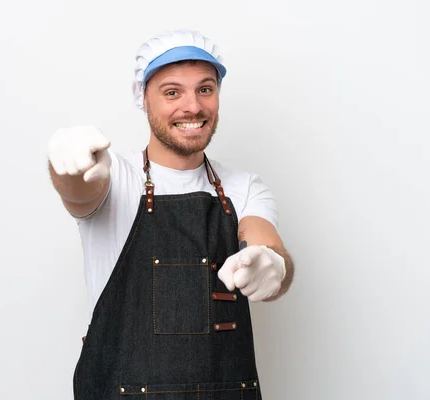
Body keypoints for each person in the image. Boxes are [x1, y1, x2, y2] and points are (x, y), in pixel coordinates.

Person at [47, 29, 294, 399]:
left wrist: (274, 265)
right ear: (143, 98)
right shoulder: (116, 176)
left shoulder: (243, 187)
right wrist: (68, 169)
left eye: (205, 89)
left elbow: (264, 238)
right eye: (172, 92)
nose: (192, 106)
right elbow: (80, 193)